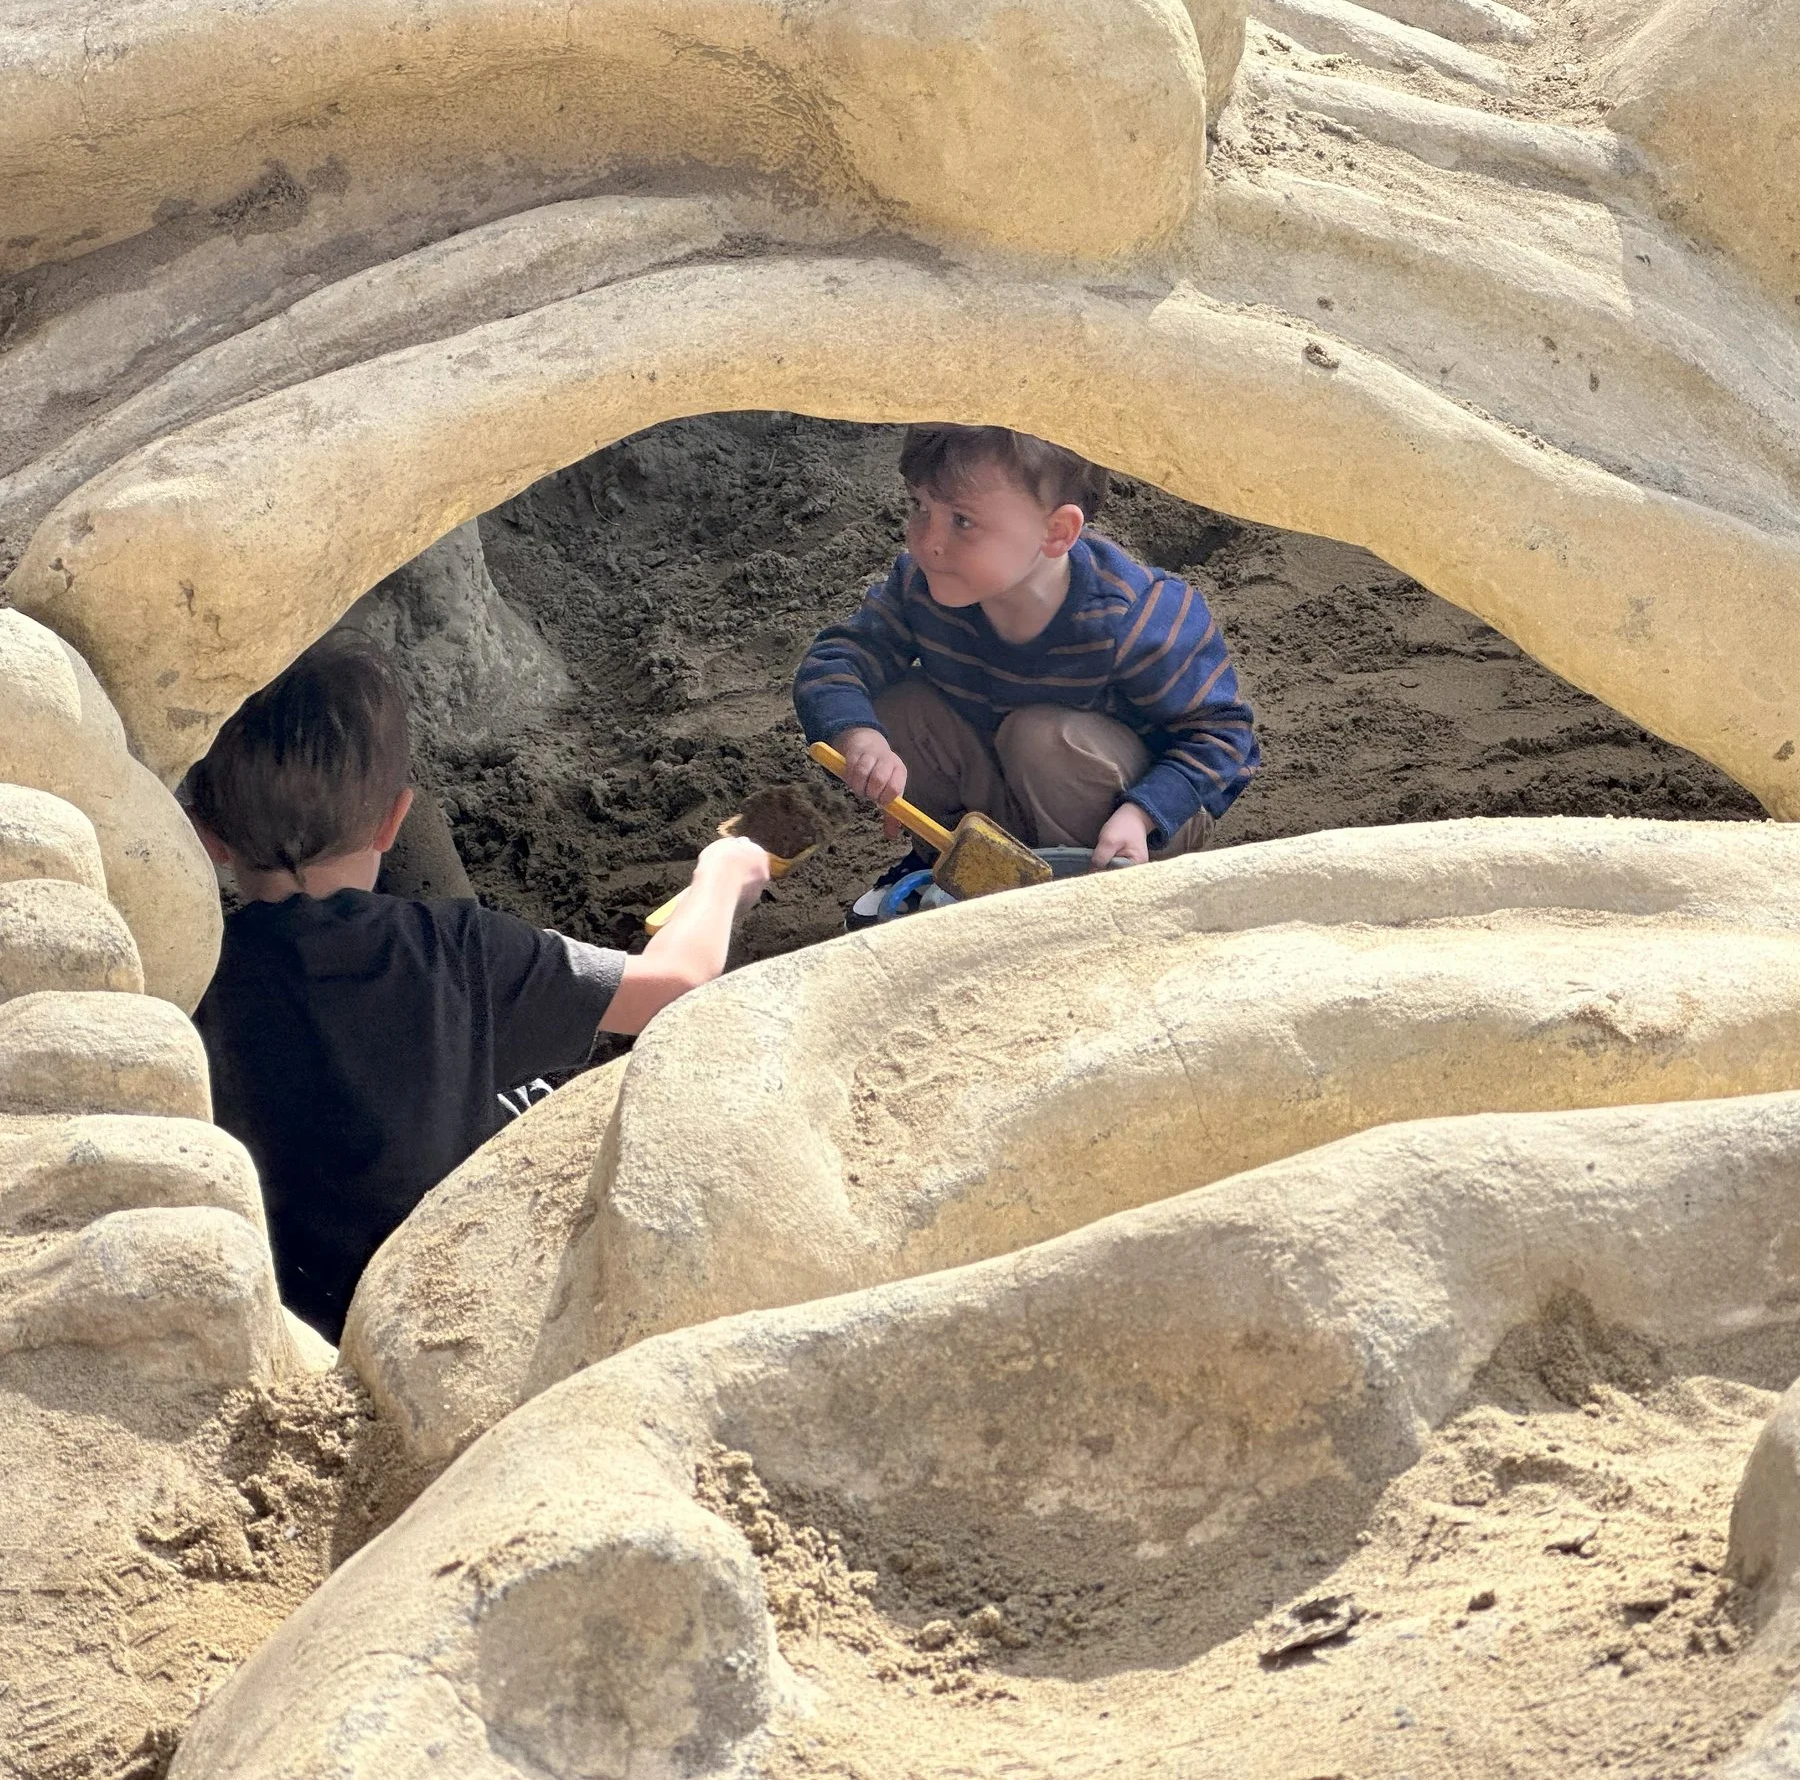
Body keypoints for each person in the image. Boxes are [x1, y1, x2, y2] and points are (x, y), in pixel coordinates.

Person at [184, 632, 772, 1340]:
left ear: (209, 838)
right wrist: (722, 877)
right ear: (398, 818)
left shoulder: (199, 976)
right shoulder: (457, 948)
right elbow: (676, 982)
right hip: (452, 1282)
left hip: (302, 1310)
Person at [794, 424, 1258, 906]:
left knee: (1040, 736)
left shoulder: (1139, 617)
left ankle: (1076, 896)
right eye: (920, 507)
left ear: (1056, 532)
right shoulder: (918, 587)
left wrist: (1142, 813)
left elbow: (1222, 737)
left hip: (1135, 826)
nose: (926, 541)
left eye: (962, 522)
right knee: (896, 709)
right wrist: (859, 737)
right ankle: (959, 865)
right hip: (1007, 792)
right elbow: (837, 658)